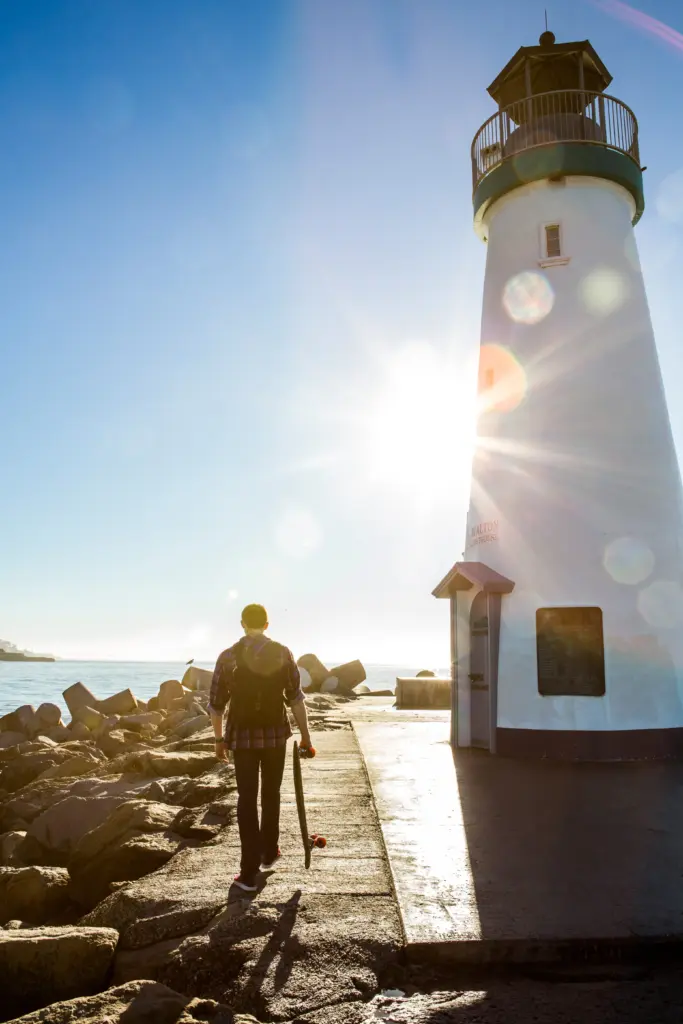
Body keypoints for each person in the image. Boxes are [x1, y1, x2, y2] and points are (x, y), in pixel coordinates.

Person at [209, 603, 313, 891]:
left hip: (241, 738)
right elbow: (296, 698)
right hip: (275, 736)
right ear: (267, 625)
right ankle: (269, 852)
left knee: (246, 799)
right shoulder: (282, 652)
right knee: (271, 794)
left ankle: (248, 872)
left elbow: (216, 705)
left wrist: (219, 740)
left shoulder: (227, 656)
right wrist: (306, 736)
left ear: (242, 624)